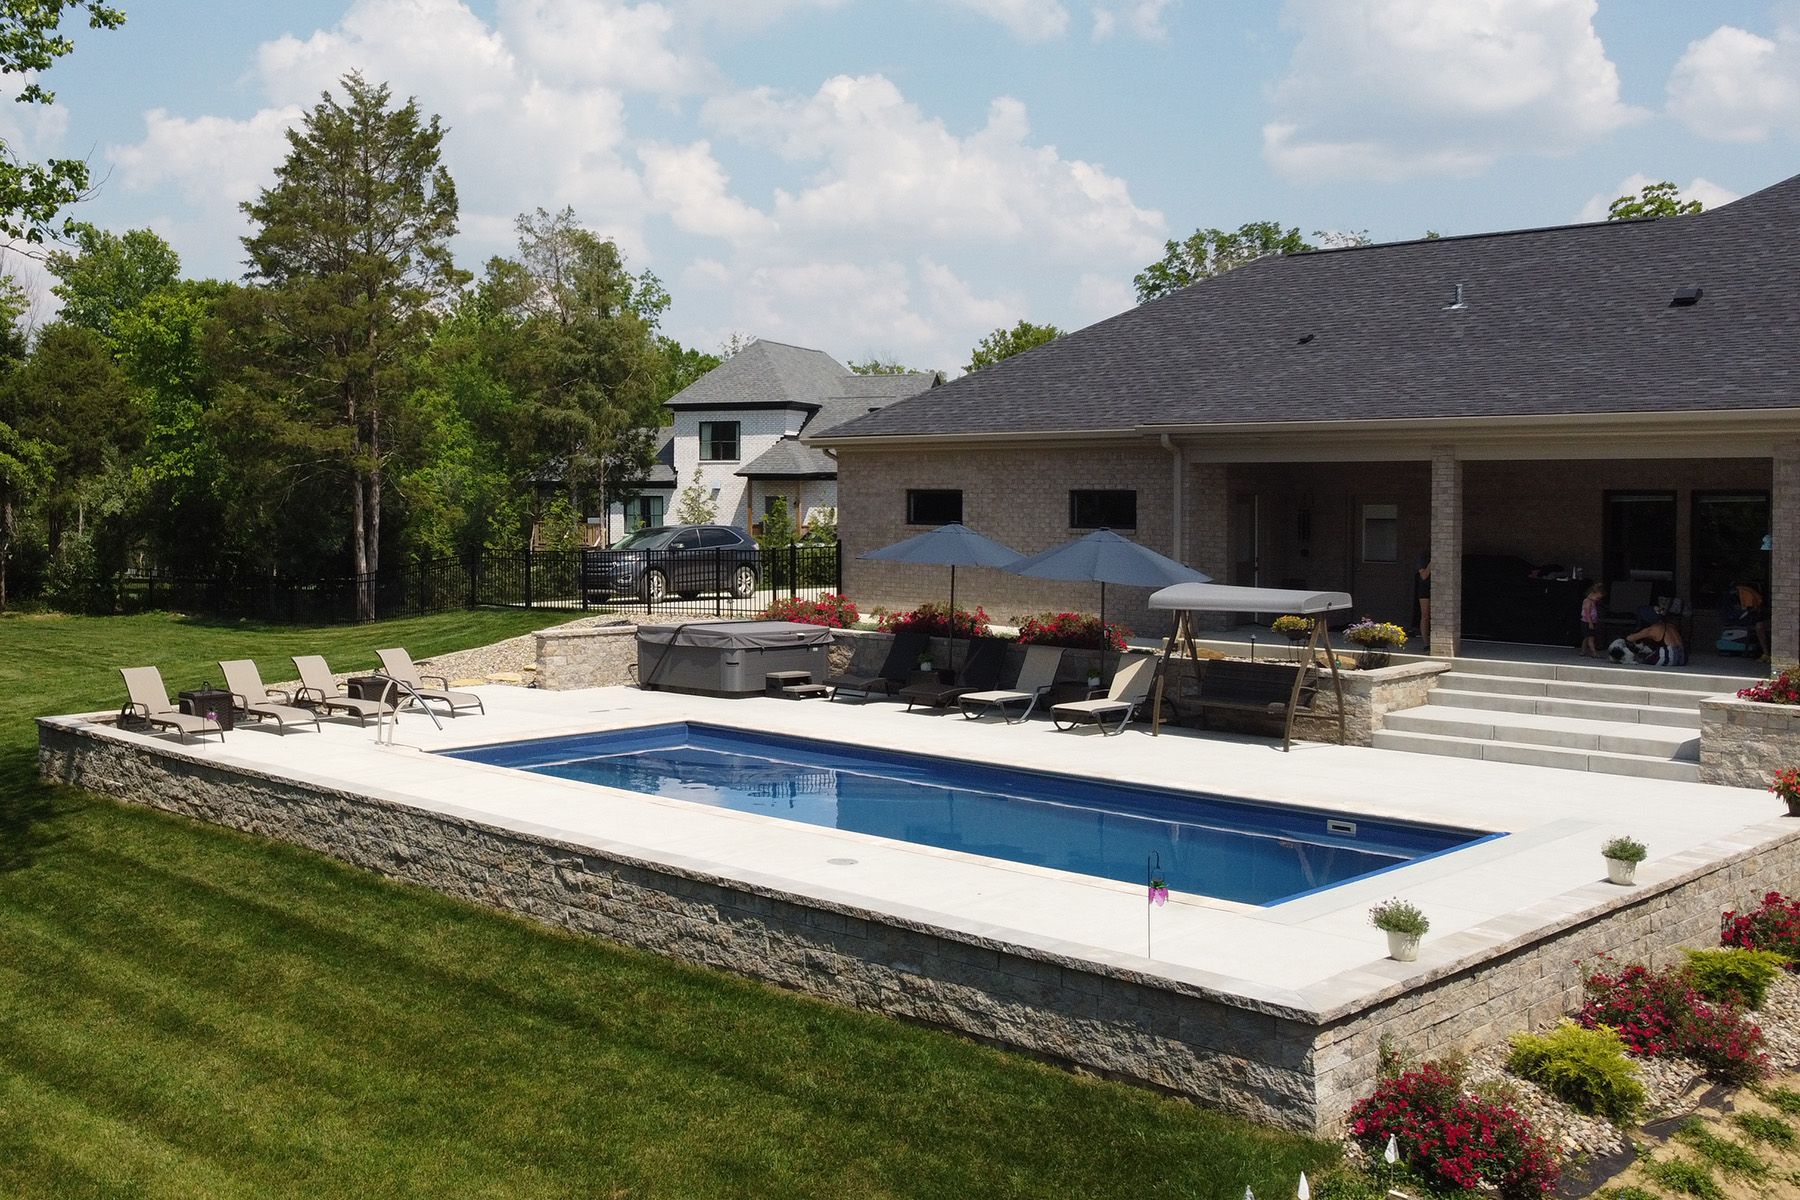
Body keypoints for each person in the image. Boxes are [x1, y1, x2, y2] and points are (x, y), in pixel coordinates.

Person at [1608, 612, 1685, 667]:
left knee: (1642, 657)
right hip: (1682, 657)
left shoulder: (1652, 629)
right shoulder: (1671, 626)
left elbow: (1630, 638)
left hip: (1668, 657)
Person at [1735, 583, 1771, 661]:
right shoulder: (1744, 594)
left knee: (1760, 627)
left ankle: (1767, 653)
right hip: (1755, 619)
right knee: (1759, 627)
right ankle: (1766, 654)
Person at [1579, 582, 1605, 658]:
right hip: (1587, 622)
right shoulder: (1587, 601)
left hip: (1590, 621)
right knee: (1591, 638)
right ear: (1593, 593)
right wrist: (1590, 623)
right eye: (1597, 598)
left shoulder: (1593, 602)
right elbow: (1587, 613)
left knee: (1586, 637)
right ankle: (1593, 652)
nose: (1598, 600)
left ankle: (1583, 651)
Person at [1413, 552, 1431, 642]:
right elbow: (1423, 576)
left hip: (1438, 588)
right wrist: (1431, 563)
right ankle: (1426, 642)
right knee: (1425, 615)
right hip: (1425, 589)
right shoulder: (1423, 557)